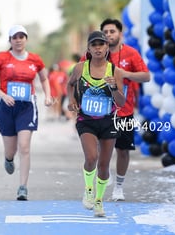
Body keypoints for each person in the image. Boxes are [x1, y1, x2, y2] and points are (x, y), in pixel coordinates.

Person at [0, 25, 53, 201]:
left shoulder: (35, 59)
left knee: (24, 146)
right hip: (6, 107)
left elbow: (44, 78)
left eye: (21, 36)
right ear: (10, 40)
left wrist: (48, 96)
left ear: (26, 39)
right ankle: (8, 159)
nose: (18, 40)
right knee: (11, 149)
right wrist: (3, 95)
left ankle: (23, 187)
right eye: (14, 37)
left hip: (26, 107)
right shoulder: (1, 57)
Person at [67, 31, 125, 217]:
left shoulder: (115, 71)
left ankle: (99, 201)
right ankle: (88, 190)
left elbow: (121, 102)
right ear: (88, 49)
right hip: (87, 120)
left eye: (102, 44)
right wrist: (72, 100)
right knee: (91, 157)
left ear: (107, 47)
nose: (98, 48)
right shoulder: (80, 68)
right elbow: (70, 84)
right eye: (94, 45)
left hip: (108, 121)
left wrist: (113, 87)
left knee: (104, 165)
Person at [99, 18, 150, 201]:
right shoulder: (95, 53)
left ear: (120, 33)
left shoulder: (131, 53)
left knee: (122, 151)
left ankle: (119, 187)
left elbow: (146, 76)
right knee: (100, 150)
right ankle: (104, 171)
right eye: (105, 32)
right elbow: (81, 73)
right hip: (101, 111)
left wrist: (126, 74)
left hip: (124, 111)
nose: (108, 35)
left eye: (112, 31)